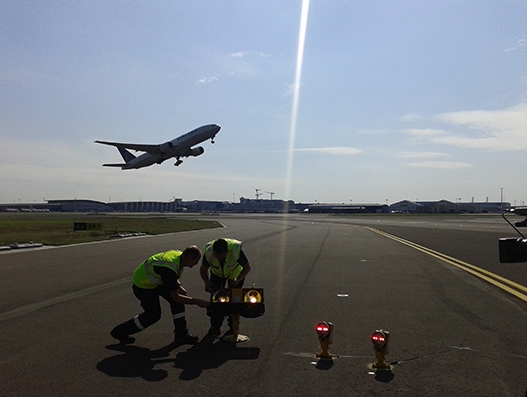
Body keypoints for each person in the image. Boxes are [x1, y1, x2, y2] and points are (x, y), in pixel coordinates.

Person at [111, 245, 210, 345]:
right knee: (153, 315)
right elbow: (175, 295)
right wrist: (198, 302)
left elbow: (172, 276)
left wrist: (179, 286)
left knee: (178, 303)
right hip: (143, 284)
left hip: (158, 280)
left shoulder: (179, 256)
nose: (197, 263)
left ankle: (181, 335)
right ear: (189, 258)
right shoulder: (169, 269)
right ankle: (120, 331)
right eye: (196, 260)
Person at [200, 238, 251, 336]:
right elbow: (203, 269)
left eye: (222, 257)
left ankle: (233, 326)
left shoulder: (236, 251)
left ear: (227, 251)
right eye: (217, 256)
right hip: (217, 274)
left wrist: (237, 280)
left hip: (235, 274)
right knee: (216, 299)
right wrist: (206, 282)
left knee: (235, 300)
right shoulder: (209, 252)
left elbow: (247, 268)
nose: (219, 259)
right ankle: (215, 325)